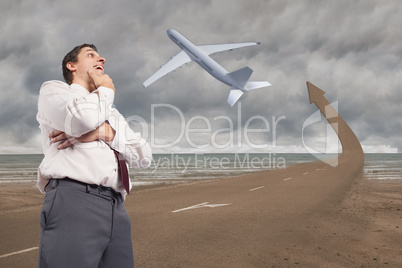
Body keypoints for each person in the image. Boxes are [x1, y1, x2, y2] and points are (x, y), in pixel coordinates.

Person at [36, 44, 152, 267]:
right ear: (72, 66)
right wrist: (106, 89)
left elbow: (144, 156)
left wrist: (106, 133)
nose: (102, 59)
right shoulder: (56, 91)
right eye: (91, 55)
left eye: (101, 57)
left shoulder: (111, 112)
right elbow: (84, 120)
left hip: (116, 207)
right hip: (74, 199)